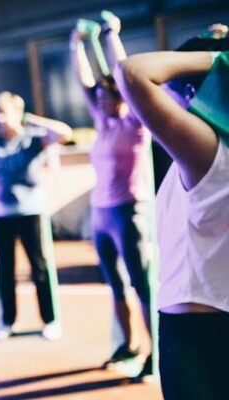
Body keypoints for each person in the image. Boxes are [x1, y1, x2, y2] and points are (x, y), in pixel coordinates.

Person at [115, 33, 229, 400]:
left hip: (200, 332)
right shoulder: (202, 150)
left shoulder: (206, 150)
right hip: (202, 323)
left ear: (190, 93)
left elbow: (132, 73)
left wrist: (219, 58)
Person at [70, 14, 153, 376]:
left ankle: (155, 355)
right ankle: (130, 344)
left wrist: (110, 35)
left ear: (120, 96)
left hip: (128, 213)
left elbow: (124, 73)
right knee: (117, 286)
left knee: (142, 286)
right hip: (101, 214)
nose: (100, 100)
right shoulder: (103, 124)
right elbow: (85, 80)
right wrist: (76, 44)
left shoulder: (136, 123)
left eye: (107, 95)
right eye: (99, 96)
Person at [0, 91, 73, 341]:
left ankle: (50, 320)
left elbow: (66, 134)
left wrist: (32, 119)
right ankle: (7, 321)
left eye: (5, 112)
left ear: (17, 113)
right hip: (0, 214)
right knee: (5, 269)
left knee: (39, 267)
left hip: (30, 212)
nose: (0, 118)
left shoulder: (32, 139)